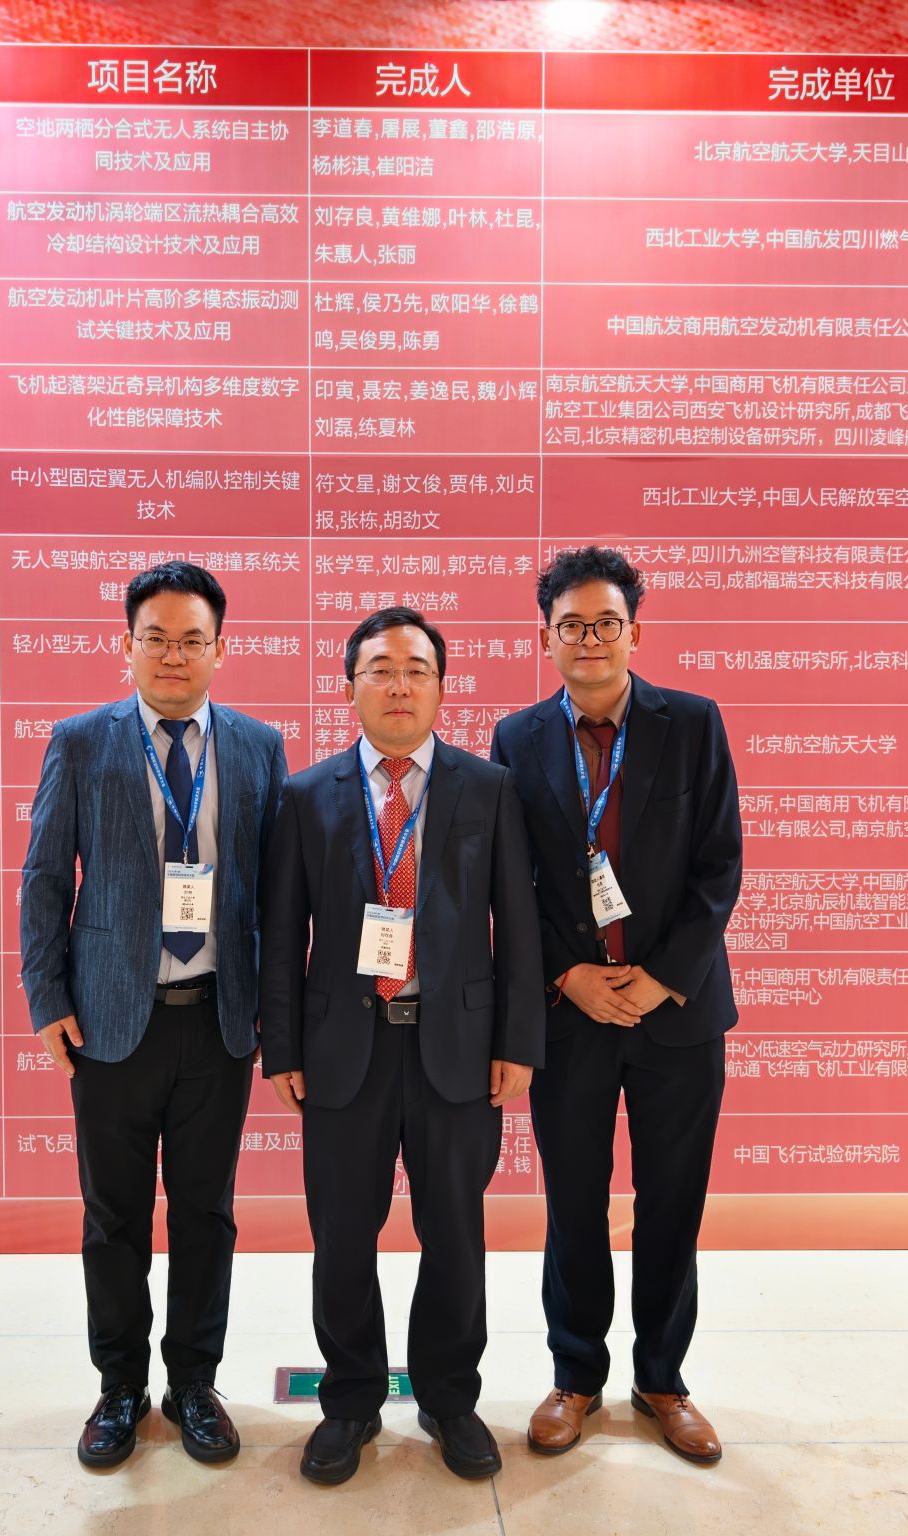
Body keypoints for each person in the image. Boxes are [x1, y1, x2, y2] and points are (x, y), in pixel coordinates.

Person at [260, 606, 544, 1486]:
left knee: (454, 1233)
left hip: (456, 1048)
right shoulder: (306, 795)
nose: (398, 685)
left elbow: (518, 923)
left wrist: (518, 1040)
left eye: (416, 670)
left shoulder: (487, 788)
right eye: (379, 670)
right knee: (343, 1235)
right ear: (349, 687)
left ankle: (450, 1398)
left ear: (441, 687)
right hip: (344, 1051)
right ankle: (349, 1401)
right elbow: (283, 932)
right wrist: (282, 1047)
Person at [21, 560, 288, 1468]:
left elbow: (277, 892)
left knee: (207, 1213)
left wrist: (277, 1012)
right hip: (109, 1022)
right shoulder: (81, 742)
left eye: (192, 640)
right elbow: (45, 877)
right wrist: (48, 997)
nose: (174, 656)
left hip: (219, 1019)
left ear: (220, 649)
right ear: (127, 646)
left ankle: (195, 1384)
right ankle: (119, 1388)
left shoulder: (257, 747)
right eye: (156, 638)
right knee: (114, 1218)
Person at [488, 546, 743, 1464]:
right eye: (571, 625)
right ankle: (576, 1375)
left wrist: (664, 976)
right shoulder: (517, 739)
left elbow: (720, 865)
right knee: (574, 1201)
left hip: (678, 1010)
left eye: (606, 623)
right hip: (572, 1014)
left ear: (636, 631)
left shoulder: (693, 723)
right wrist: (568, 974)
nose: (589, 639)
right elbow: (509, 881)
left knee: (673, 1199)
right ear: (545, 638)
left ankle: (663, 1380)